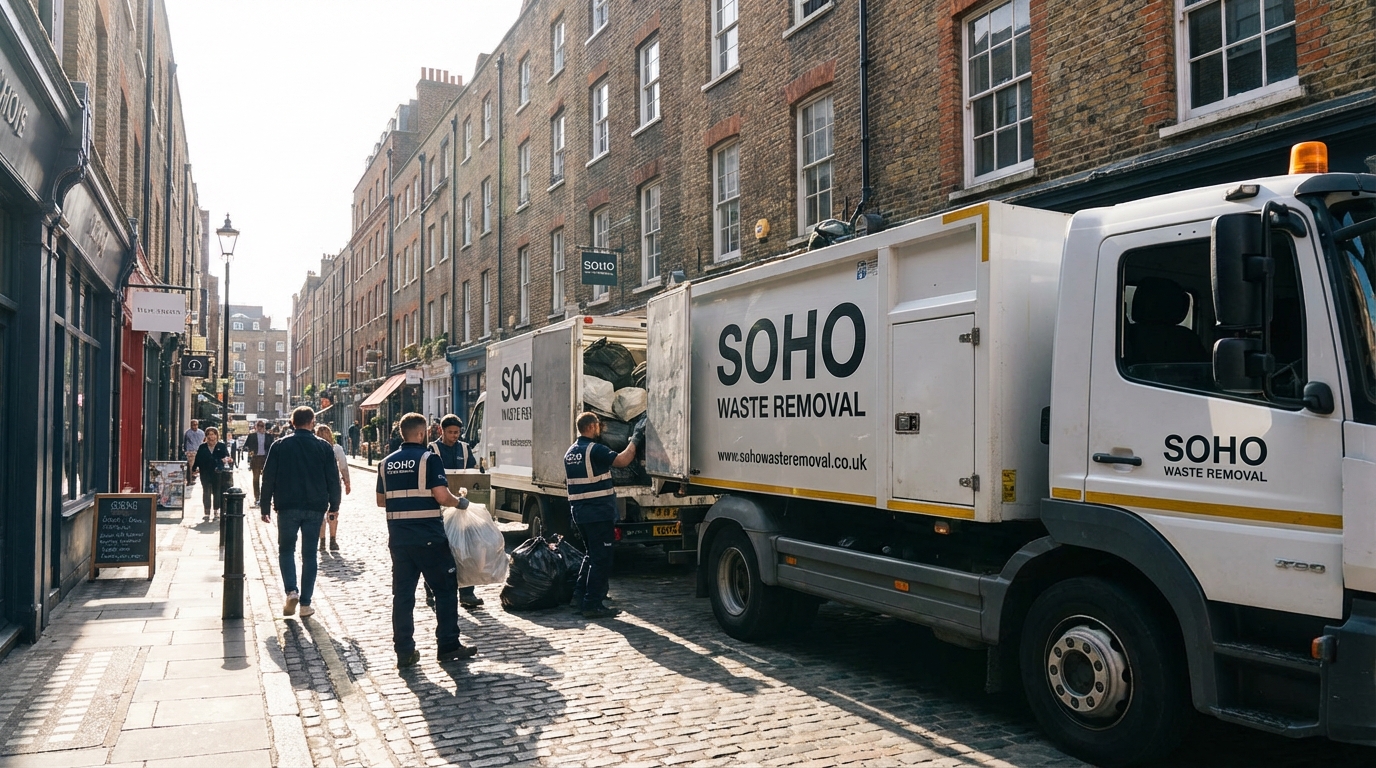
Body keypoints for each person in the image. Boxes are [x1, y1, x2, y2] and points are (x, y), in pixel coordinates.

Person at [378, 412, 479, 668]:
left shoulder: (386, 463)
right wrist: (461, 503)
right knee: (445, 590)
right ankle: (447, 645)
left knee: (403, 596)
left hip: (399, 539)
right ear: (422, 433)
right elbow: (442, 496)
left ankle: (404, 651)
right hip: (429, 538)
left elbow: (381, 501)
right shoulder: (429, 459)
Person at [259, 407, 341, 619]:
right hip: (315, 506)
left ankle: (291, 591)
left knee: (286, 550)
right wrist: (334, 506)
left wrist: (265, 506)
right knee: (309, 554)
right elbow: (333, 479)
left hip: (287, 506)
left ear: (292, 422)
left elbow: (268, 476)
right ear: (312, 422)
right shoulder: (324, 447)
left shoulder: (280, 445)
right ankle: (305, 604)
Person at [563, 412, 642, 619]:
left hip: (580, 513)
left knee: (591, 556)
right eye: (598, 425)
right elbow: (623, 461)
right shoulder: (595, 450)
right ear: (590, 427)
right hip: (598, 513)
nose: (600, 428)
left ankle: (579, 597)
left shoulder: (571, 452)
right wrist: (636, 438)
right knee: (601, 560)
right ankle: (592, 604)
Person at [429, 413, 483, 609]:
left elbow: (473, 472)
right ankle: (432, 591)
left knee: (465, 550)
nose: (454, 436)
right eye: (451, 432)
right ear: (441, 431)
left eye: (457, 433)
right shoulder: (432, 449)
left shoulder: (465, 448)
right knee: (439, 552)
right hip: (439, 508)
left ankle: (467, 593)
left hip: (461, 508)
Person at [317, 424, 352, 551]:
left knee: (320, 513)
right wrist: (347, 482)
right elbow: (343, 466)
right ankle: (332, 540)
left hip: (318, 484)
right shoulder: (336, 448)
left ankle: (322, 542)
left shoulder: (315, 447)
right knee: (333, 513)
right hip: (333, 484)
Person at [193, 426, 231, 522]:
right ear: (206, 436)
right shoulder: (202, 447)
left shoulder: (221, 446)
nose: (211, 437)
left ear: (216, 435)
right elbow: (198, 459)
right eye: (209, 434)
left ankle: (216, 511)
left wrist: (226, 460)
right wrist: (194, 468)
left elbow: (227, 456)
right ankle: (207, 512)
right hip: (205, 472)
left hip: (217, 472)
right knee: (206, 491)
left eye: (213, 434)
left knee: (217, 491)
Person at [245, 420, 275, 508]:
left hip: (266, 458)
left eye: (262, 426)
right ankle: (257, 497)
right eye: (258, 426)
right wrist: (250, 456)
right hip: (256, 458)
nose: (260, 428)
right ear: (256, 426)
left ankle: (266, 498)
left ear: (264, 427)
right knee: (256, 478)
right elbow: (247, 447)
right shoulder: (252, 436)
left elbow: (271, 447)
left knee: (267, 479)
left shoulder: (269, 436)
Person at [184, 419, 205, 485]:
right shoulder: (188, 433)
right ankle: (190, 480)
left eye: (196, 424)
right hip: (191, 451)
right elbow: (185, 442)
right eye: (193, 425)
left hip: (199, 451)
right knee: (191, 467)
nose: (194, 426)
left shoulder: (201, 433)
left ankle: (193, 478)